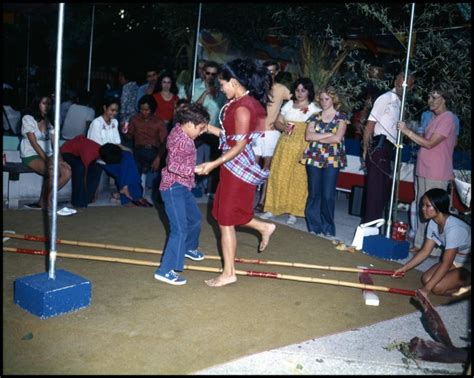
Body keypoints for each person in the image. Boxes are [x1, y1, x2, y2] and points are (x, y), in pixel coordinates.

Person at [195, 58, 277, 287]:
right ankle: (263, 226)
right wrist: (208, 128)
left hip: (237, 169)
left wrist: (212, 164)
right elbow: (231, 136)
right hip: (232, 167)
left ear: (233, 81)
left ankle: (229, 273)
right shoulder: (240, 102)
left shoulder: (242, 106)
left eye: (223, 84)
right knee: (223, 213)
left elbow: (239, 145)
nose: (221, 88)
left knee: (226, 219)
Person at [154, 103, 210, 285]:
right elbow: (172, 165)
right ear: (190, 124)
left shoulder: (181, 129)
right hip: (172, 188)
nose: (202, 133)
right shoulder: (180, 139)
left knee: (194, 218)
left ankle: (188, 248)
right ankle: (165, 270)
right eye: (200, 129)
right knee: (179, 229)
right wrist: (194, 169)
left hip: (183, 186)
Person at [398, 86, 457, 252]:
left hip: (437, 172)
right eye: (429, 97)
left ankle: (436, 247)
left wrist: (407, 131)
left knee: (435, 209)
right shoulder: (431, 118)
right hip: (423, 169)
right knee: (422, 207)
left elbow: (430, 144)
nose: (430, 101)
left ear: (444, 99)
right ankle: (420, 244)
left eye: (435, 97)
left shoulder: (448, 118)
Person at [260, 77, 320, 225]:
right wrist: (283, 127)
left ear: (308, 92)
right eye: (297, 90)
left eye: (303, 90)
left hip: (303, 144)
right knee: (278, 174)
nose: (299, 94)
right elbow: (278, 122)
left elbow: (318, 127)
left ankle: (294, 211)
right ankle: (272, 208)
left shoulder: (314, 108)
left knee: (298, 177)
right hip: (285, 144)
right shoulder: (288, 105)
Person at [392, 188, 470, 297]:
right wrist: (404, 268)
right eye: (423, 205)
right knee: (426, 278)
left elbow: (446, 263)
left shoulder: (454, 229)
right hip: (456, 261)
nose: (423, 209)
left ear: (439, 207)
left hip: (467, 264)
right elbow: (425, 251)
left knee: (437, 288)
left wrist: (426, 289)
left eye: (427, 206)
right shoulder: (433, 222)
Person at [362, 72, 415, 223]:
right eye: (400, 83)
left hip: (390, 149)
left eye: (406, 85)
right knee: (375, 190)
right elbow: (370, 126)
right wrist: (366, 151)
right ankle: (369, 226)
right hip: (378, 147)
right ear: (395, 81)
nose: (402, 87)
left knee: (382, 191)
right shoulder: (386, 98)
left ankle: (376, 225)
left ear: (410, 88)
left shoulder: (400, 103)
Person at [301, 86, 349, 237]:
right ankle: (314, 225)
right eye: (321, 99)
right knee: (314, 192)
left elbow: (337, 138)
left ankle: (328, 226)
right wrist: (328, 134)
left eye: (326, 99)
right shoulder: (315, 116)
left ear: (334, 99)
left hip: (332, 159)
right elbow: (308, 137)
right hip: (313, 157)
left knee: (328, 194)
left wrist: (319, 135)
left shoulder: (341, 117)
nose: (323, 102)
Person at [87, 97, 150, 207]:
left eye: (116, 111)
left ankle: (125, 190)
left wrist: (126, 149)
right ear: (105, 108)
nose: (114, 113)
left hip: (114, 154)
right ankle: (135, 196)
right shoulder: (96, 123)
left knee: (128, 157)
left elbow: (117, 142)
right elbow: (96, 147)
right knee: (127, 163)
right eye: (112, 110)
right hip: (102, 155)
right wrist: (122, 149)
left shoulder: (115, 122)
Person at [19, 94, 72, 212]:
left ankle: (47, 198)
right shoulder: (28, 118)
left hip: (48, 154)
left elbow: (54, 143)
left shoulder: (49, 121)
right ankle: (46, 201)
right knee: (52, 170)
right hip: (31, 154)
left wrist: (60, 160)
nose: (47, 106)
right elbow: (34, 143)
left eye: (49, 104)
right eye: (44, 103)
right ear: (37, 104)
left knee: (67, 171)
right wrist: (49, 161)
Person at [253, 60, 292, 212]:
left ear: (277, 73)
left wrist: (282, 120)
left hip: (272, 133)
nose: (269, 74)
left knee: (267, 168)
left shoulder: (281, 89)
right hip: (255, 133)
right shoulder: (256, 88)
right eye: (267, 71)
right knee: (251, 167)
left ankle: (263, 202)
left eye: (272, 71)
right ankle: (248, 200)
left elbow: (297, 102)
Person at [191, 61, 226, 197]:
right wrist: (206, 93)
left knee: (217, 158)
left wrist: (217, 93)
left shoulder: (222, 88)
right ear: (203, 73)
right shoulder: (197, 86)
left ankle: (212, 190)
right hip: (199, 129)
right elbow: (195, 108)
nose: (210, 76)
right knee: (189, 153)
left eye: (214, 74)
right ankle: (189, 184)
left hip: (215, 129)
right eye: (208, 73)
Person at [123, 95, 168, 196]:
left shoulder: (158, 122)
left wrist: (158, 158)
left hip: (154, 151)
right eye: (142, 109)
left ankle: (160, 197)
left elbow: (164, 142)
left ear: (152, 109)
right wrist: (124, 131)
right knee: (132, 166)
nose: (144, 112)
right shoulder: (134, 119)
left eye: (147, 110)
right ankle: (135, 195)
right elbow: (128, 137)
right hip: (138, 151)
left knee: (165, 166)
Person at [59, 135, 104, 208]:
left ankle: (89, 198)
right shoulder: (89, 153)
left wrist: (94, 193)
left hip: (79, 152)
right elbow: (85, 176)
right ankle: (77, 201)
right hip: (67, 151)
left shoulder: (99, 151)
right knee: (79, 168)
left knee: (97, 167)